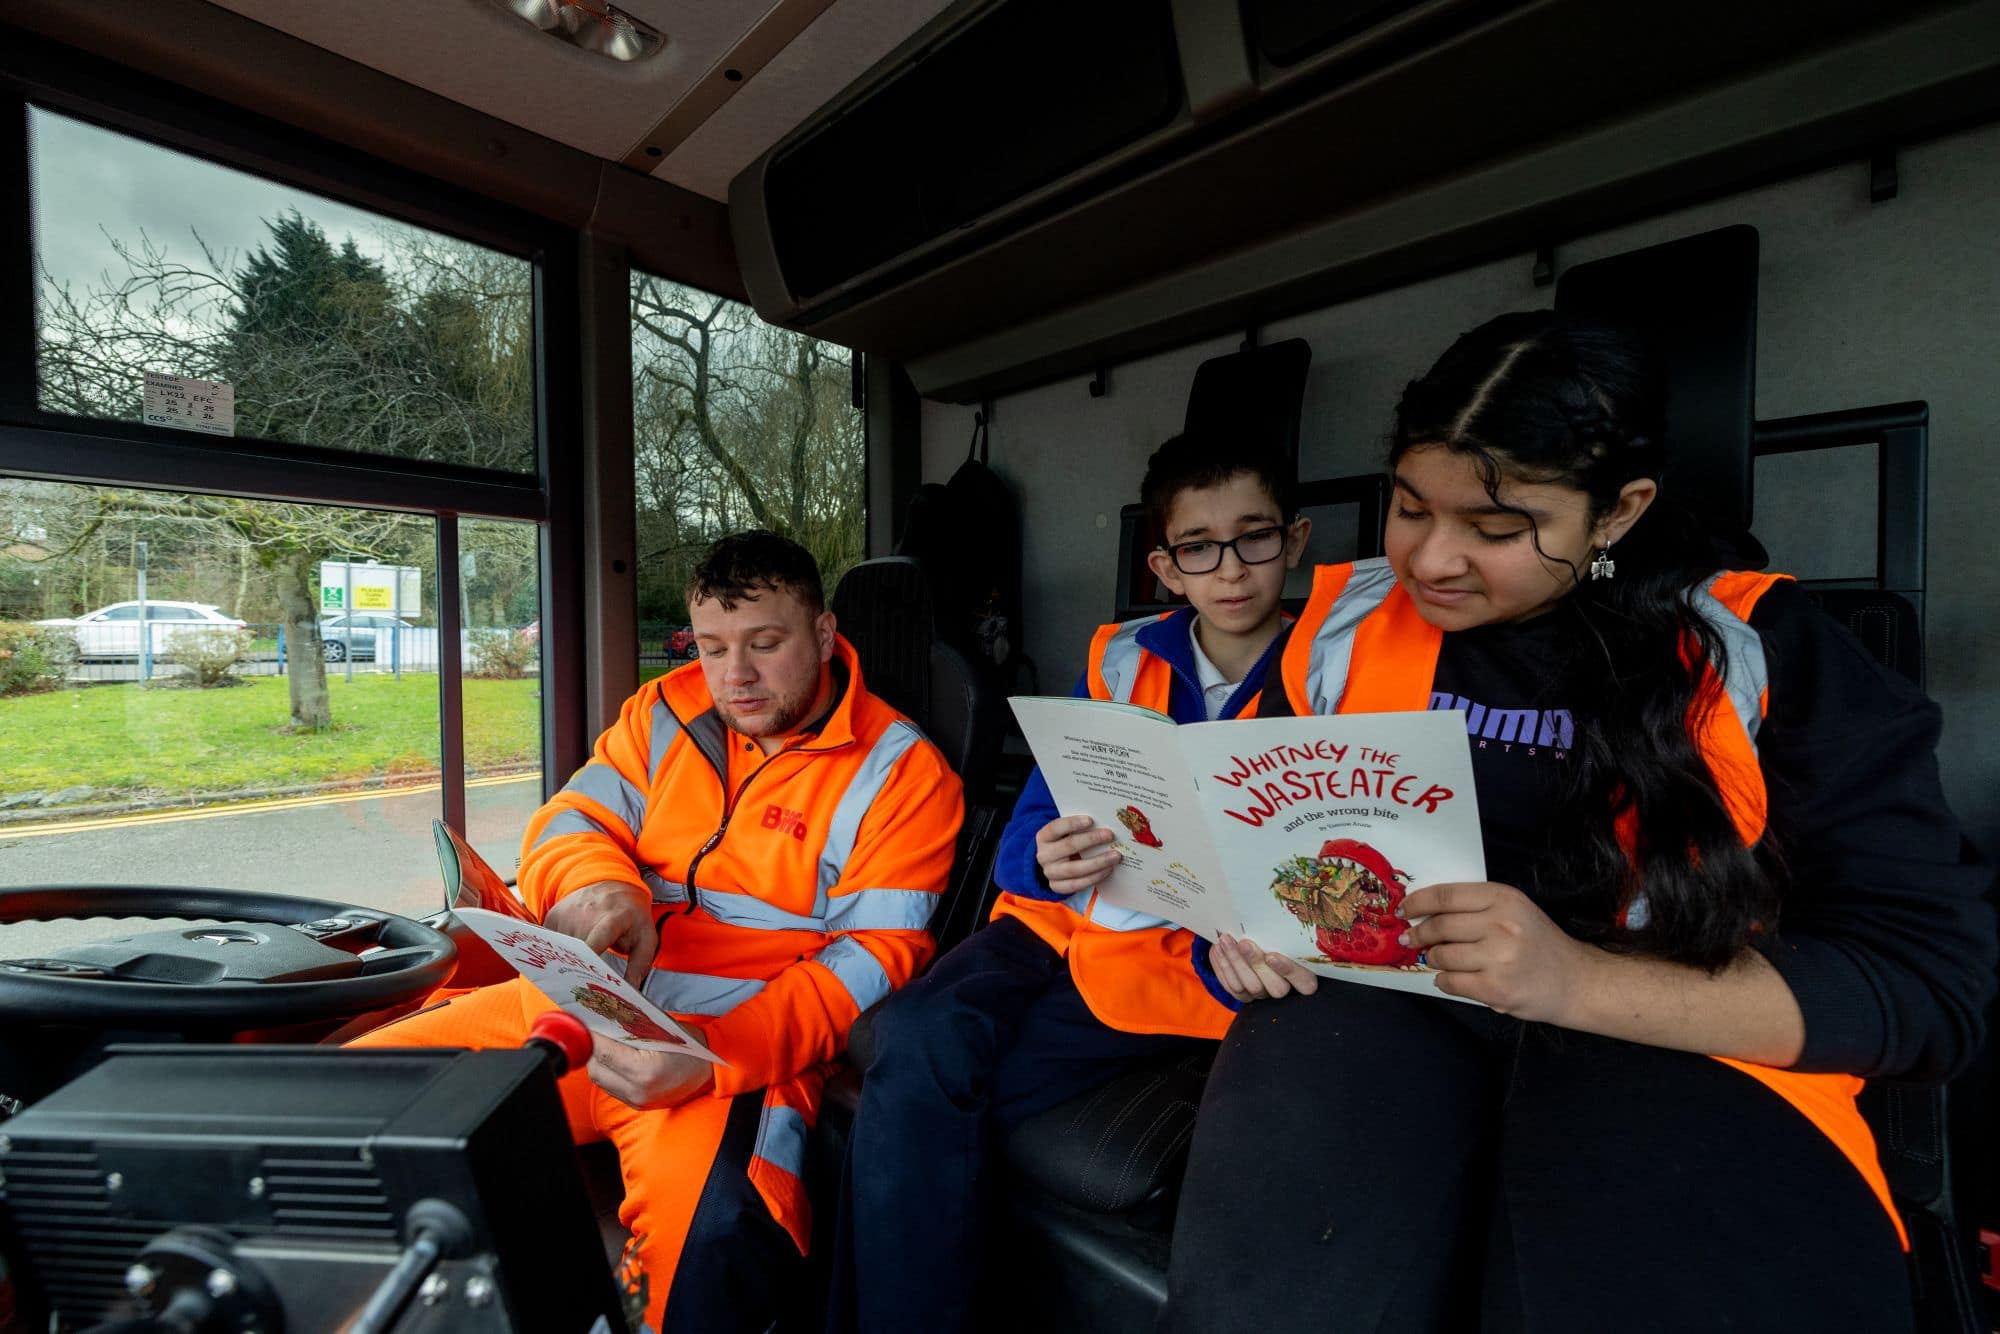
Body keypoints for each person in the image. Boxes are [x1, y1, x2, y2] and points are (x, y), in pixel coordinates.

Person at [1162, 312, 1996, 1333]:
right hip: (1384, 1008)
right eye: (1408, 506)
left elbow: (1928, 989)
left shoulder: (1768, 654)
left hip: (1682, 1032)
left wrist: (1573, 978)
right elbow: (1264, 844)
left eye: (1497, 528)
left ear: (1616, 511)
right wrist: (1233, 924)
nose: (1428, 559)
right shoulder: (1339, 629)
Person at [351, 531, 965, 1334]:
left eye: (765, 644)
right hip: (583, 1000)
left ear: (822, 633)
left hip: (726, 1047)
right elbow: (572, 818)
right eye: (711, 648)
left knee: (704, 1252)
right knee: (340, 1103)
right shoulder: (663, 712)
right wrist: (597, 881)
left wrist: (715, 1061)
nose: (733, 677)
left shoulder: (904, 774)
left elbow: (872, 965)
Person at [829, 432, 1321, 1332]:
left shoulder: (1333, 675)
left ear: (1294, 541)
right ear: (1165, 566)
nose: (1231, 568)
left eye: (1254, 538)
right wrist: (1041, 861)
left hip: (1177, 960)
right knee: (912, 1041)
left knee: (930, 1105)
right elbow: (1042, 814)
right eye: (1199, 547)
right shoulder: (1123, 658)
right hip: (1051, 925)